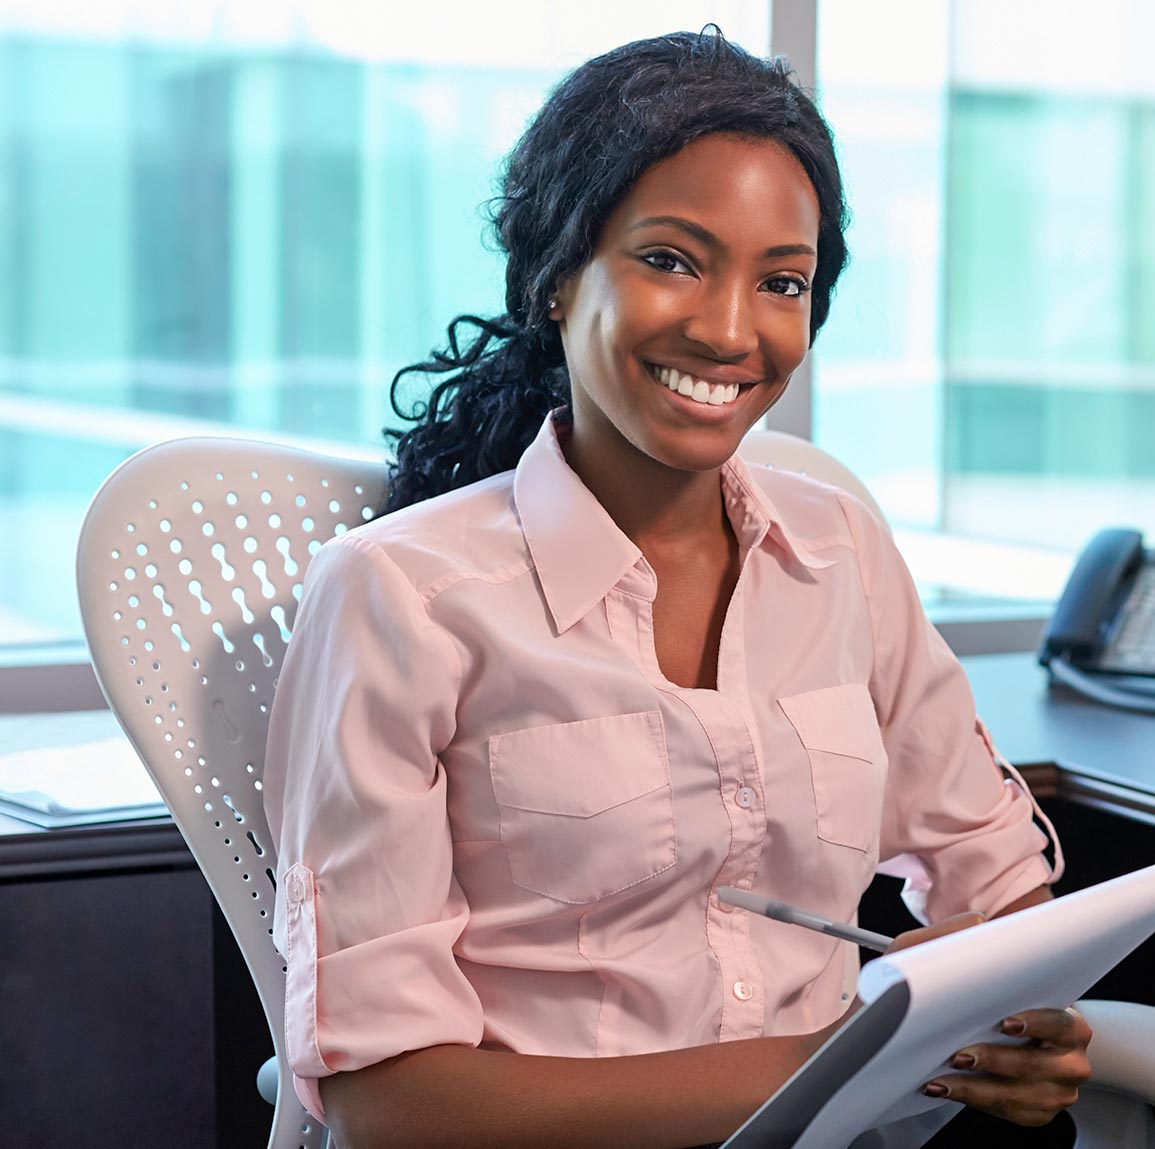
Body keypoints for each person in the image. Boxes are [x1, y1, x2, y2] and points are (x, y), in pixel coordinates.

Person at [263, 28, 1086, 1149]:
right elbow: (390, 1102)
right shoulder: (401, 595)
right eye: (670, 259)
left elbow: (991, 884)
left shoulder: (839, 550)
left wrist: (1011, 1021)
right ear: (557, 276)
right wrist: (825, 1064)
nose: (730, 329)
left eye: (781, 282)